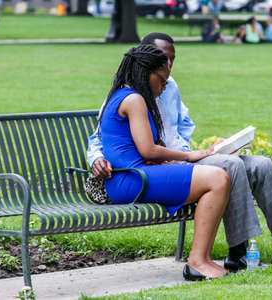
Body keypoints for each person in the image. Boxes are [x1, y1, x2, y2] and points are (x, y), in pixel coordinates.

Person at [88, 33, 272, 273]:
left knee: (260, 164)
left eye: (172, 59)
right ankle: (238, 253)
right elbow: (104, 138)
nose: (168, 69)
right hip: (157, 166)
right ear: (146, 63)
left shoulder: (169, 87)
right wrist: (97, 158)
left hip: (180, 158)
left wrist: (211, 148)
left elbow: (182, 131)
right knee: (230, 167)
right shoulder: (131, 95)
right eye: (163, 63)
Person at [98, 44, 230, 281]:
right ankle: (197, 261)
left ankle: (205, 259)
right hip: (130, 178)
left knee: (216, 176)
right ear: (145, 73)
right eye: (162, 79)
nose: (165, 86)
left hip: (135, 175)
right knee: (217, 178)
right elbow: (148, 150)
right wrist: (190, 155)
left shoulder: (126, 95)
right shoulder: (133, 99)